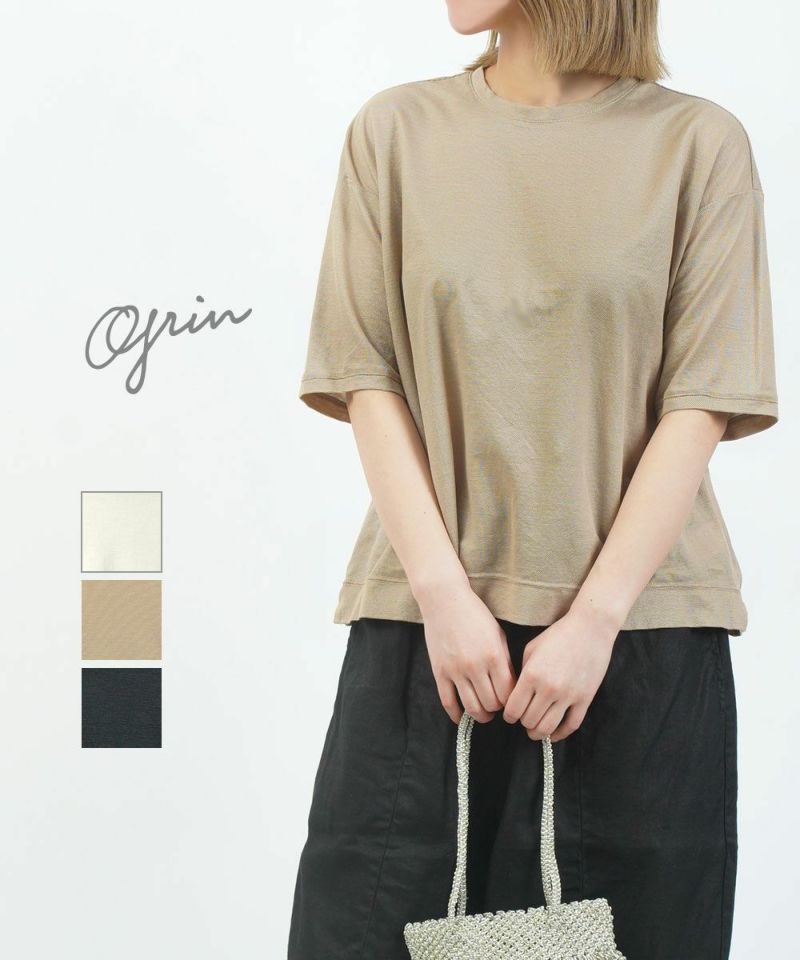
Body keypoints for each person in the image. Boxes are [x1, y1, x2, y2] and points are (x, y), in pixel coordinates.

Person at [288, 2, 779, 958]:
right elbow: (364, 375)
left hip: (635, 641)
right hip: (426, 635)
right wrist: (442, 596)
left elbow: (702, 402)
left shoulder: (698, 145)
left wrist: (594, 621)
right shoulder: (394, 132)